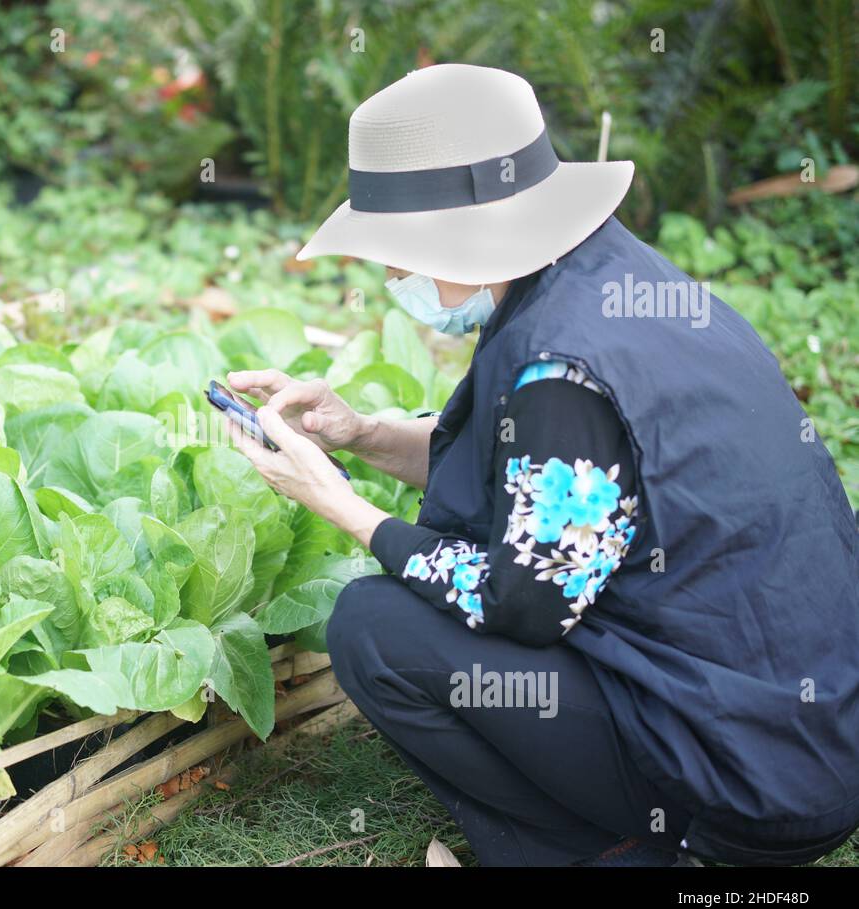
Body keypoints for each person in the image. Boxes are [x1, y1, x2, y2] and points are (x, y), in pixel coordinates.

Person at [224, 63, 859, 866]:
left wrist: (346, 509)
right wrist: (359, 433)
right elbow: (547, 490)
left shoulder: (561, 371)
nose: (390, 278)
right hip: (803, 734)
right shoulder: (606, 280)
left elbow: (521, 604)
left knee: (374, 629)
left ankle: (591, 850)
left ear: (457, 231)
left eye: (395, 252)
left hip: (740, 781)